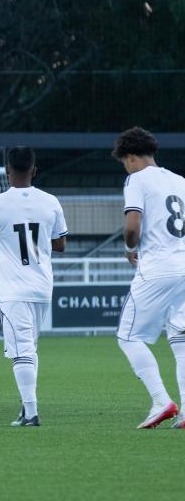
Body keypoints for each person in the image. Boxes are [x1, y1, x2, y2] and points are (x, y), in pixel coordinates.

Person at [0, 146, 68, 427]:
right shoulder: (50, 201)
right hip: (42, 286)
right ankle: (26, 407)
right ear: (34, 170)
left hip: (14, 289)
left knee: (22, 351)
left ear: (7, 172)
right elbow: (61, 244)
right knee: (30, 348)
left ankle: (31, 412)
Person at [111, 127, 185, 429]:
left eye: (124, 162)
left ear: (131, 157)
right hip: (184, 265)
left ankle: (160, 400)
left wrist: (131, 248)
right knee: (181, 340)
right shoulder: (180, 181)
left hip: (157, 267)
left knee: (128, 337)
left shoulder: (137, 179)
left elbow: (132, 226)